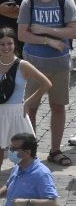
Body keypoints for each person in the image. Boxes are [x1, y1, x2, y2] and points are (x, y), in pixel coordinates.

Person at [16, 0, 76, 168]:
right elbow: (23, 34)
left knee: (58, 106)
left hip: (59, 65)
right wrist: (49, 40)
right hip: (34, 63)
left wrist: (45, 30)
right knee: (30, 108)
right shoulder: (29, 3)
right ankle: (30, 152)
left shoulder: (64, 1)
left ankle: (55, 150)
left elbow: (74, 31)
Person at [0, 28, 50, 171]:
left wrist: (28, 102)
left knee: (25, 154)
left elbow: (46, 83)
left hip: (17, 113)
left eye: (9, 43)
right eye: (2, 44)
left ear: (14, 44)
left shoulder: (23, 65)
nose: (6, 47)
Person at [0, 133, 58, 205]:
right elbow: (8, 186)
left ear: (27, 152)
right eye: (10, 148)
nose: (10, 151)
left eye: (13, 149)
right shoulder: (17, 166)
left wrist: (27, 202)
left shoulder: (41, 174)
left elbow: (53, 202)